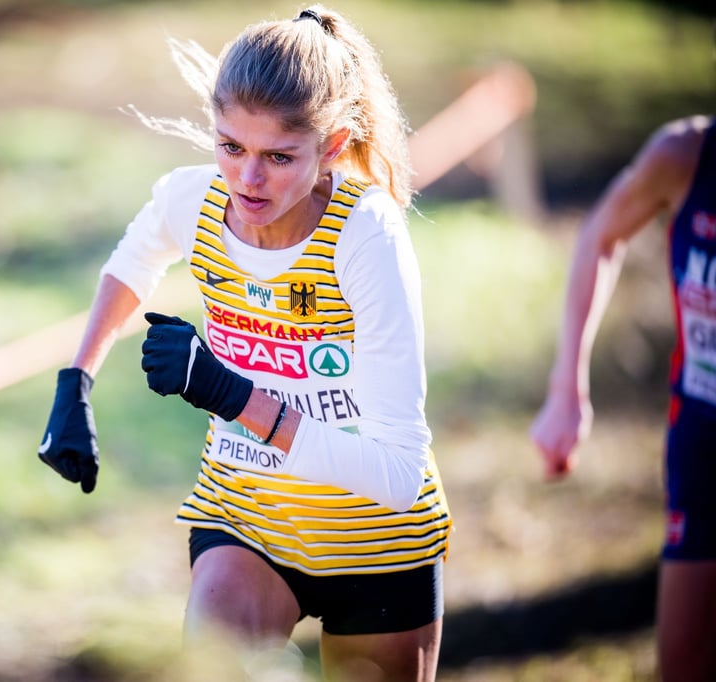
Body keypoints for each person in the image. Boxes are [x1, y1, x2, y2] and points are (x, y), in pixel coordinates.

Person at [38, 6, 452, 680]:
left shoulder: (364, 233)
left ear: (334, 147)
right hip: (246, 517)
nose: (247, 180)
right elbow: (132, 263)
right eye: (229, 146)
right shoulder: (191, 200)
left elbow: (398, 477)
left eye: (278, 157)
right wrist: (74, 384)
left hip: (376, 541)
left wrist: (230, 393)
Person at [531, 114, 716, 682]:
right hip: (702, 440)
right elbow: (600, 236)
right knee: (683, 661)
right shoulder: (686, 155)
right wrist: (567, 390)